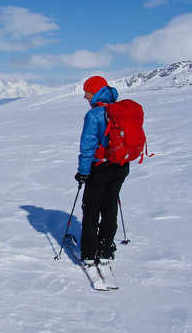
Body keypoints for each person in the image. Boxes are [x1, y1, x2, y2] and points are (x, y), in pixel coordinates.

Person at [75, 76, 130, 266]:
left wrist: (83, 172)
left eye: (87, 92)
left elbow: (88, 146)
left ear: (95, 92)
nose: (85, 96)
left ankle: (89, 254)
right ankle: (106, 250)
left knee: (91, 210)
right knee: (110, 207)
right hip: (121, 166)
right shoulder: (120, 109)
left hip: (100, 167)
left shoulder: (95, 114)